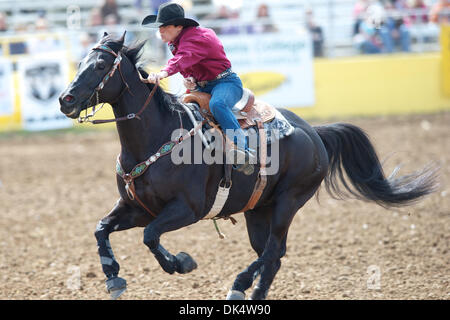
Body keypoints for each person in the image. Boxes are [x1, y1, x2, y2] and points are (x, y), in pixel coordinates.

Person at [141, 2, 255, 174]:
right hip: (203, 87)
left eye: (164, 26)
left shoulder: (198, 36)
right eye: (159, 27)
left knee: (218, 104)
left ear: (179, 26)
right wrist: (190, 79)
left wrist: (163, 73)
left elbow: (183, 58)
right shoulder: (175, 41)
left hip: (226, 83)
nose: (160, 31)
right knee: (180, 110)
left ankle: (243, 150)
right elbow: (188, 65)